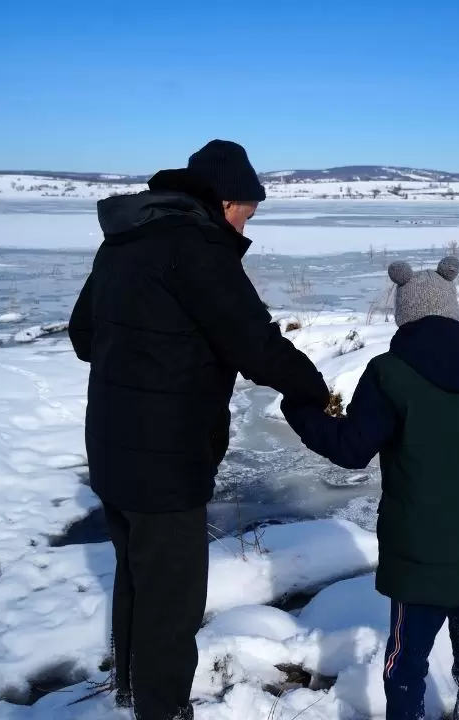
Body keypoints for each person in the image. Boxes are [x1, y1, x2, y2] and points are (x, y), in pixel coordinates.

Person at [68, 140, 330, 720]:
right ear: (225, 200)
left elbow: (84, 335)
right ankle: (161, 711)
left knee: (137, 578)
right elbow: (256, 344)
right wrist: (314, 391)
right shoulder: (201, 249)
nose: (245, 227)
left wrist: (150, 349)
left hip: (111, 447)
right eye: (246, 214)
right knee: (172, 600)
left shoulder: (126, 239)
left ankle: (131, 693)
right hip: (166, 459)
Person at [282, 256, 459, 720]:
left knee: (406, 664)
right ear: (451, 307)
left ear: (403, 314)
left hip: (420, 559)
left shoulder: (389, 373)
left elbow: (351, 449)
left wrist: (300, 410)